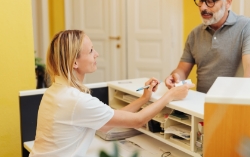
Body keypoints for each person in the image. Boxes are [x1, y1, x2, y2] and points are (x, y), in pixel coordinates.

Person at [29, 30, 195, 157]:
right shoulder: (77, 101)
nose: (97, 54)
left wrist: (144, 99)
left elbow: (106, 123)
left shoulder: (55, 92)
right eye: (91, 51)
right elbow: (138, 121)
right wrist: (171, 95)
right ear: (74, 63)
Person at [165, 0, 250, 93]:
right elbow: (182, 70)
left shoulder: (246, 27)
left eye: (210, 1)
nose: (202, 7)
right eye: (200, 0)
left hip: (232, 104)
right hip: (200, 104)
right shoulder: (194, 34)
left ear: (228, 2)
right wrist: (175, 77)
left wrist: (247, 102)